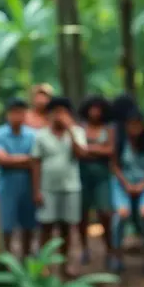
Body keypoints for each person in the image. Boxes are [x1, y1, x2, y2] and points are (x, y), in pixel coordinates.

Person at [31, 96, 87, 274]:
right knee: (46, 227)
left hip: (70, 188)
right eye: (56, 112)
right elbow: (35, 163)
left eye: (63, 112)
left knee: (66, 228)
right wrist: (36, 190)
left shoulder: (77, 132)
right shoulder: (41, 135)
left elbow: (82, 154)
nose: (59, 116)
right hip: (47, 188)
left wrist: (70, 129)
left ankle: (65, 265)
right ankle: (44, 265)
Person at [109, 109, 144, 274]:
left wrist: (142, 184)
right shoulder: (120, 142)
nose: (134, 128)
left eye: (137, 124)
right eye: (131, 124)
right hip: (122, 184)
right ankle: (117, 257)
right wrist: (126, 184)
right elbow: (115, 166)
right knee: (121, 215)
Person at [0, 98, 39, 257]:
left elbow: (36, 161)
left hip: (28, 185)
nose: (18, 116)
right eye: (15, 112)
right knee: (6, 225)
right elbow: (1, 159)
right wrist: (26, 160)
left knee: (29, 224)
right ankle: (7, 259)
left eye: (21, 112)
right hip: (6, 186)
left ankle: (27, 257)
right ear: (8, 114)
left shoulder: (33, 135)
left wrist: (12, 160)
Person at [77, 95, 115, 266]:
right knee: (82, 214)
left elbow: (110, 150)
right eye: (92, 108)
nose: (95, 112)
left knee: (105, 213)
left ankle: (109, 249)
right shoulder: (80, 128)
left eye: (98, 108)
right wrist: (99, 149)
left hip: (102, 177)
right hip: (81, 176)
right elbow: (78, 151)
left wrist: (90, 149)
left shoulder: (108, 129)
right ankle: (84, 248)